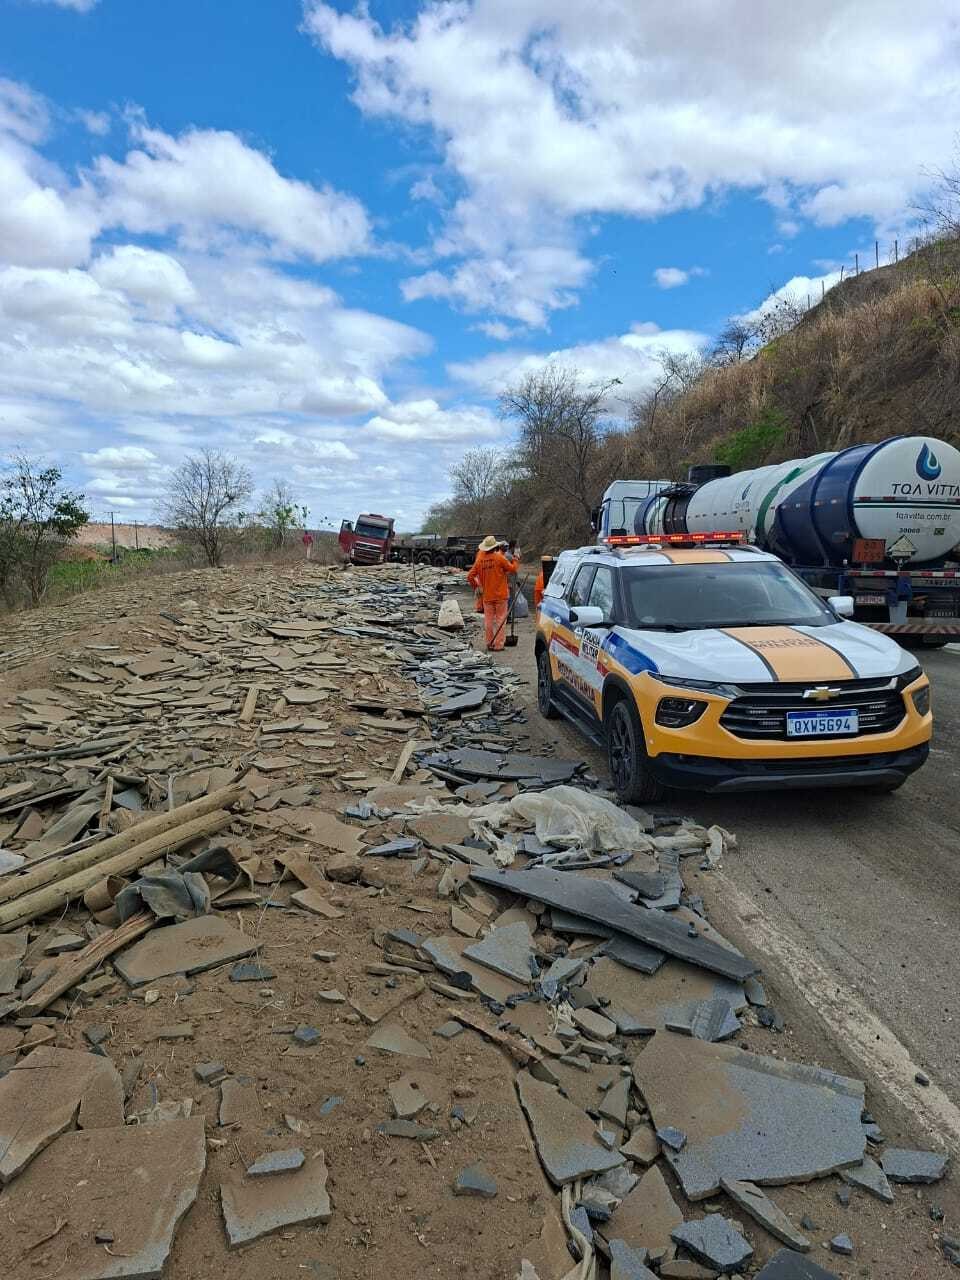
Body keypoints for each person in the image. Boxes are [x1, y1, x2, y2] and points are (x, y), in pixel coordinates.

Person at [467, 535, 518, 651]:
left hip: (487, 596)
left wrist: (477, 587)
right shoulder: (499, 558)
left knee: (488, 621)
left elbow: (470, 576)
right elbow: (513, 569)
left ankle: (489, 643)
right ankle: (498, 645)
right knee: (500, 620)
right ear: (495, 547)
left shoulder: (479, 561)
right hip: (501, 595)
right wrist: (515, 559)